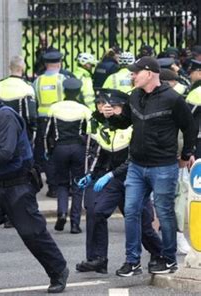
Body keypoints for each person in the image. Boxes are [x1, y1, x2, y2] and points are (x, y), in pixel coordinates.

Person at [0, 81, 69, 295]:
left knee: (31, 232)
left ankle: (58, 270)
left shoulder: (5, 116)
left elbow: (4, 152)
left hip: (17, 185)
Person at [98, 56, 197, 275]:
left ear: (150, 73)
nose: (132, 76)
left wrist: (187, 153)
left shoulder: (172, 98)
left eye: (135, 72)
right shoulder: (134, 96)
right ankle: (132, 261)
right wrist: (112, 117)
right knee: (131, 211)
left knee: (164, 213)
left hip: (163, 166)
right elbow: (126, 122)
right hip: (136, 165)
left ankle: (169, 259)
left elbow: (189, 127)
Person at [75, 89, 162, 275]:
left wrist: (111, 175)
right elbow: (102, 152)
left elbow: (133, 159)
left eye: (115, 107)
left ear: (124, 108)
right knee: (98, 212)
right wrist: (91, 174)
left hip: (134, 179)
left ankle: (158, 254)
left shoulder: (134, 127)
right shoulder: (108, 126)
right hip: (115, 179)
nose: (110, 110)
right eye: (108, 106)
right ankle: (99, 259)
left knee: (143, 225)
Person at [44, 78, 91, 233]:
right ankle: (75, 224)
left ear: (64, 91)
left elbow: (46, 134)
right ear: (78, 92)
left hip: (60, 149)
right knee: (78, 185)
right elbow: (89, 133)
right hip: (78, 149)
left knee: (62, 184)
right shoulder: (84, 109)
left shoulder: (55, 108)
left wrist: (47, 151)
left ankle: (62, 213)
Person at [33, 50, 71, 198]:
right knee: (61, 152)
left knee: (47, 154)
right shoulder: (63, 79)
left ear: (45, 64)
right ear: (60, 63)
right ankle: (64, 185)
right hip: (60, 120)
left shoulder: (38, 81)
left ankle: (53, 187)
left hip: (43, 120)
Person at [0, 55, 37, 141]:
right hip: (20, 132)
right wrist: (33, 130)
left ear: (9, 67)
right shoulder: (27, 87)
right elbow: (31, 115)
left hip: (1, 131)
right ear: (23, 67)